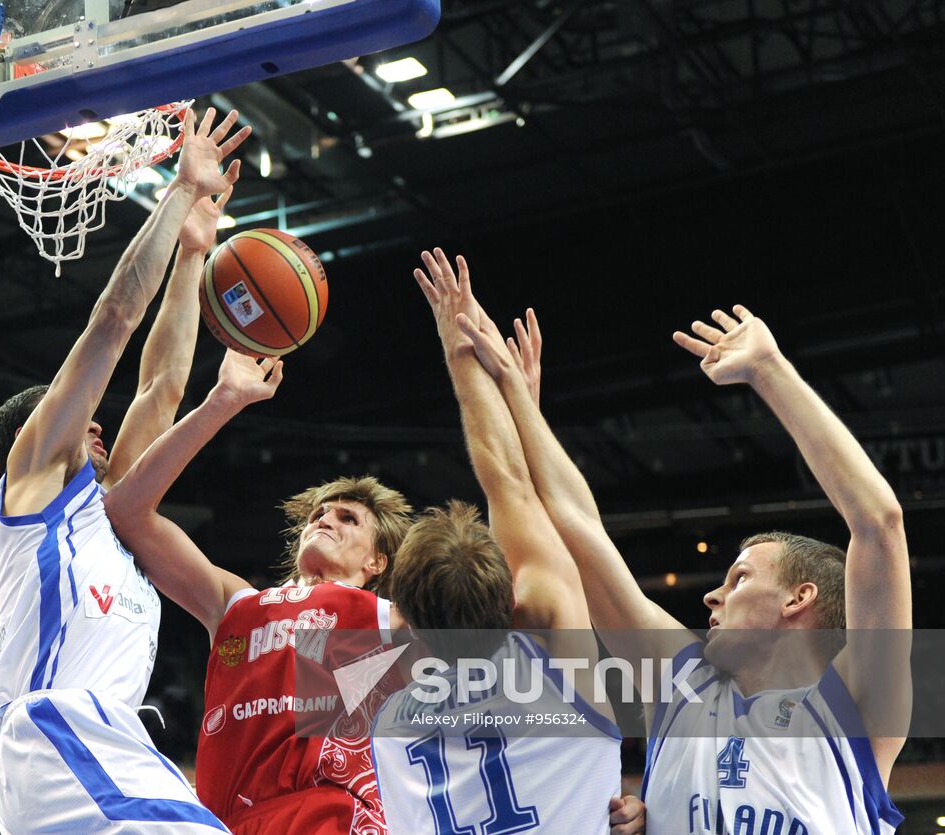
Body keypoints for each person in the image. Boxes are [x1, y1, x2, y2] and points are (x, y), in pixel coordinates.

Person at [455, 301, 910, 832]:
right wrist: (517, 398)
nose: (711, 598)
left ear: (798, 599)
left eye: (739, 578)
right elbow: (579, 526)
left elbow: (880, 524)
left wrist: (769, 370)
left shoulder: (851, 710)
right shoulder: (684, 687)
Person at [0, 106, 248, 834]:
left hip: (111, 744)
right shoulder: (35, 484)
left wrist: (195, 250)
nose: (98, 422)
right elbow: (114, 322)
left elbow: (161, 385)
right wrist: (174, 193)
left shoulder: (113, 517)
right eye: (80, 418)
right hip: (56, 730)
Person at [370, 249, 642, 835]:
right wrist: (463, 348)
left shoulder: (383, 704)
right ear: (513, 606)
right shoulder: (557, 664)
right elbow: (510, 484)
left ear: (404, 620)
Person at [104, 350, 414, 834]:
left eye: (348, 518)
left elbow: (499, 635)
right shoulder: (237, 602)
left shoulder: (385, 616)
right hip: (227, 822)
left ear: (376, 563)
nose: (326, 518)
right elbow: (126, 509)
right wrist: (222, 402)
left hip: (327, 815)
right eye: (320, 514)